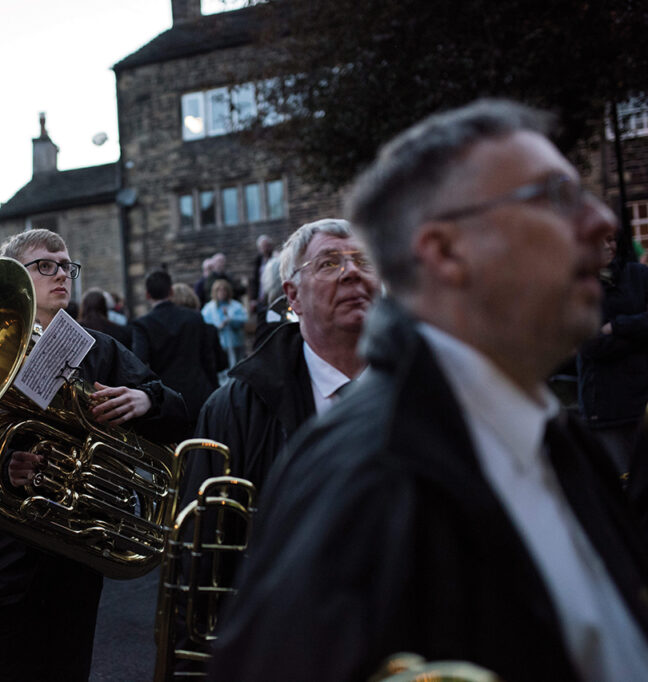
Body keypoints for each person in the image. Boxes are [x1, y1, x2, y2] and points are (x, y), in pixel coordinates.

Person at [209, 99, 648, 681]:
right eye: (554, 199)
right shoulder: (366, 474)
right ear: (444, 253)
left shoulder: (557, 436)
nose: (602, 224)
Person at [0, 229, 188, 681]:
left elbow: (177, 409)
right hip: (5, 562)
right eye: (45, 265)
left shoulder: (98, 347)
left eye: (66, 265)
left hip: (77, 555)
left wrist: (147, 401)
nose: (61, 275)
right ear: (14, 279)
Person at [190, 218, 377, 493]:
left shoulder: (436, 388)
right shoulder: (235, 409)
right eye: (328, 263)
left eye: (364, 261)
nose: (352, 272)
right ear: (294, 296)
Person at [577, 227, 648, 477]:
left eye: (611, 240)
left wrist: (617, 326)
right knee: (621, 490)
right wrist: (640, 335)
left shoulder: (639, 276)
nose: (607, 246)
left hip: (642, 404)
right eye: (599, 240)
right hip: (606, 409)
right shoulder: (577, 288)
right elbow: (591, 345)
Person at [131, 269, 222, 435]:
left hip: (167, 398)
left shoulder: (143, 324)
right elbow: (208, 360)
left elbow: (138, 363)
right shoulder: (194, 317)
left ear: (147, 295)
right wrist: (215, 391)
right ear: (171, 291)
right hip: (199, 394)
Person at [201, 279, 248, 376]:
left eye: (224, 290)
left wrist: (231, 320)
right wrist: (218, 327)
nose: (222, 293)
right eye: (219, 290)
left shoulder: (236, 306)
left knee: (237, 365)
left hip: (235, 342)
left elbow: (243, 319)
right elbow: (205, 324)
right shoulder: (209, 308)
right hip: (219, 344)